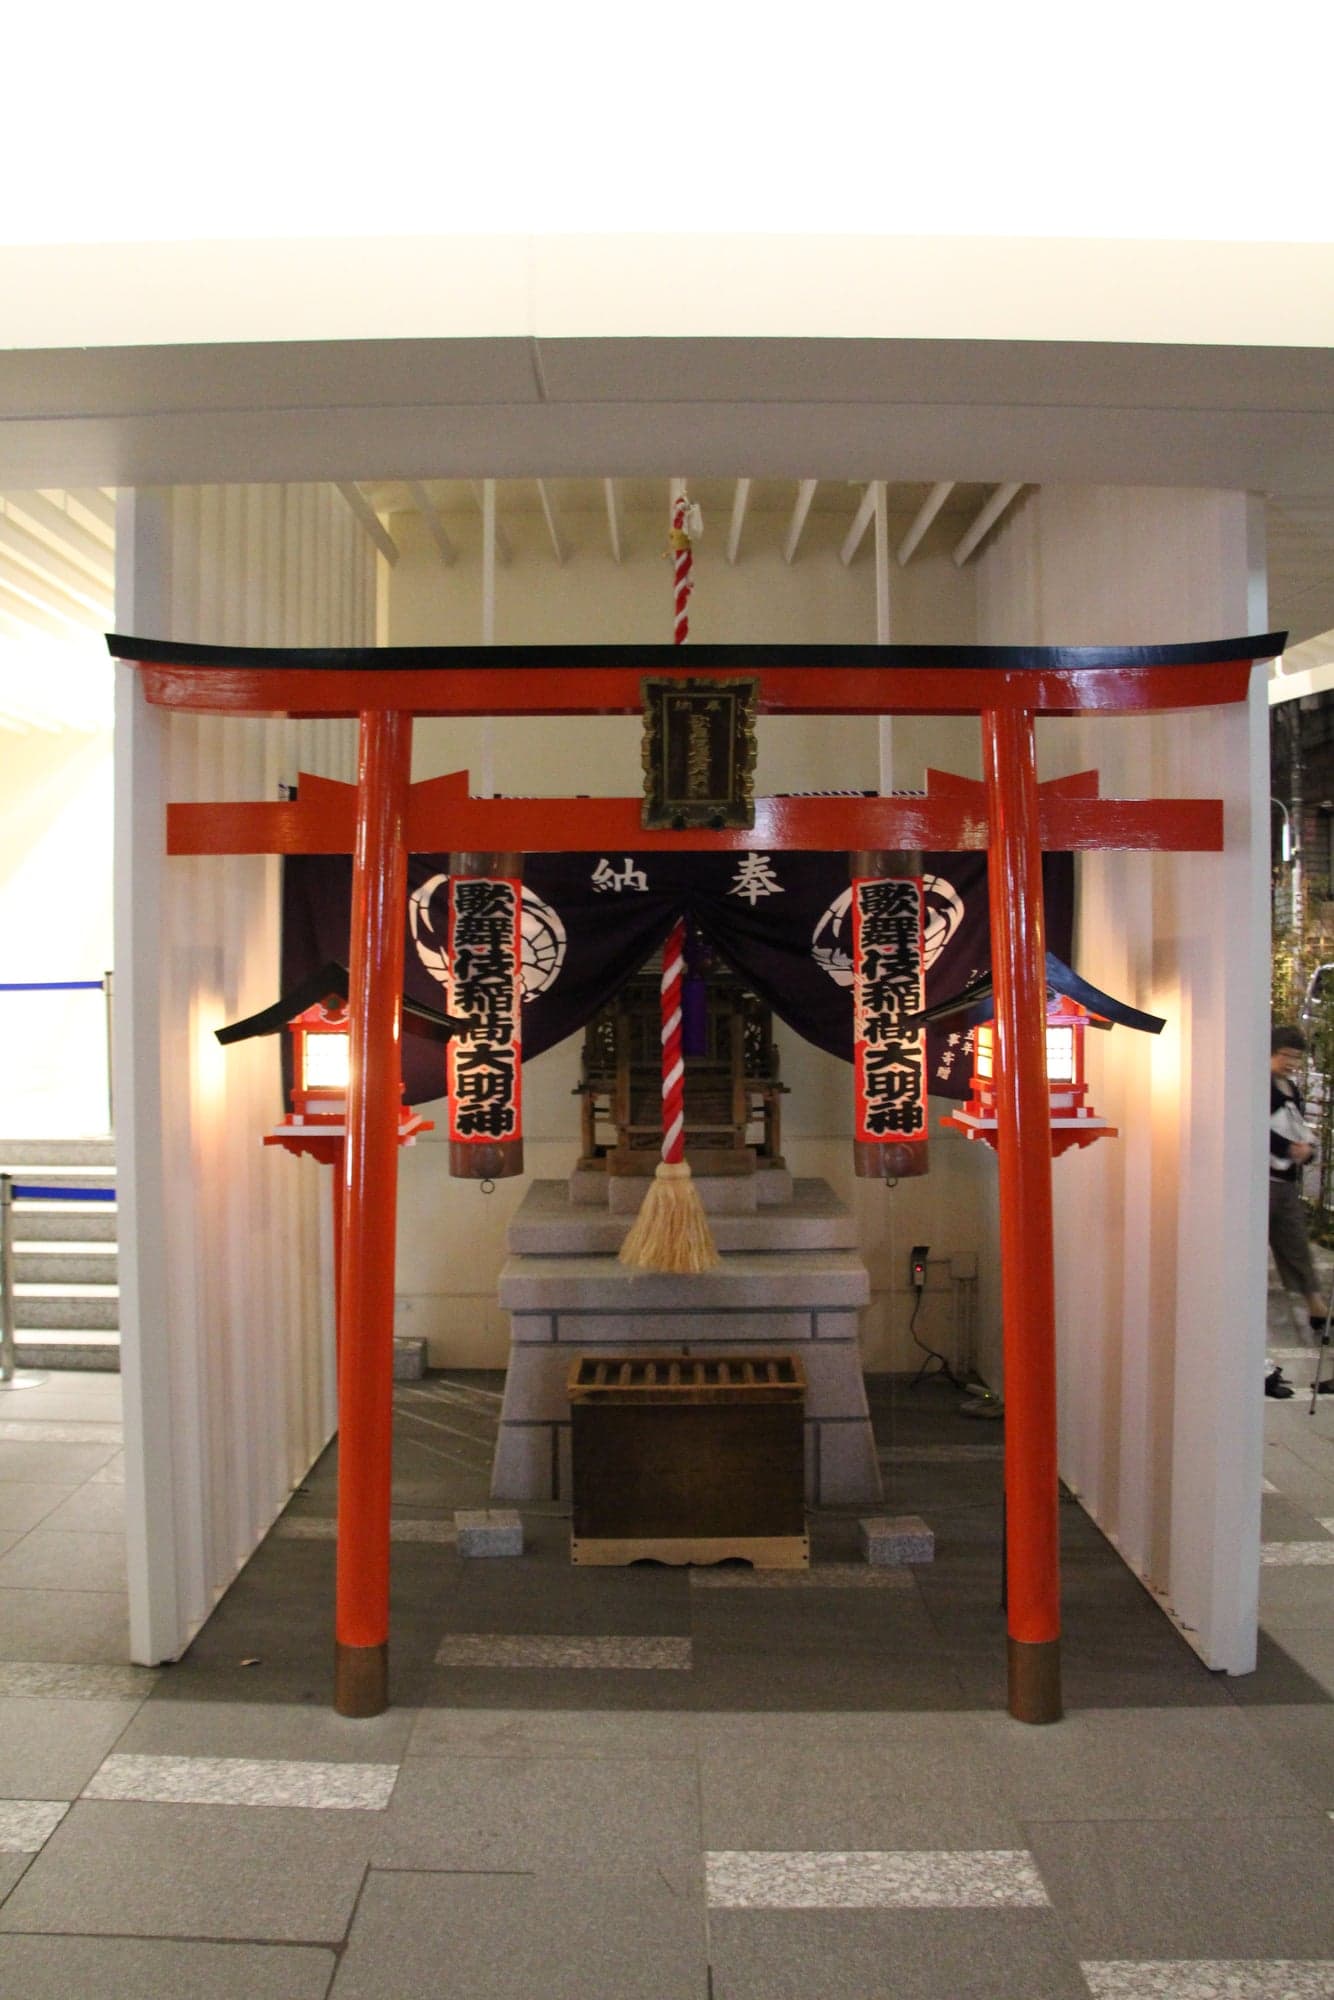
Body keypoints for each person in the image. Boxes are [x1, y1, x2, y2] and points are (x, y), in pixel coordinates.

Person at [1269, 1023, 1332, 1397]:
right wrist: (1285, 1147)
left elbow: (1297, 1125)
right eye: (1286, 1055)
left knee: (1295, 1245)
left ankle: (1317, 1308)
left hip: (1286, 1183)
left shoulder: (1291, 1088)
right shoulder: (1255, 1084)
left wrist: (1304, 1149)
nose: (1291, 1063)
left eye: (1296, 1058)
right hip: (1262, 1180)